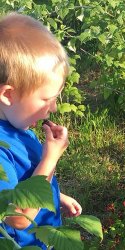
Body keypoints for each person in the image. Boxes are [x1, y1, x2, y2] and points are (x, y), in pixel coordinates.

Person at [0, 12, 82, 248]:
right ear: (8, 95)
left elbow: (26, 177)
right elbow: (17, 217)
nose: (53, 108)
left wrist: (56, 197)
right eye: (46, 99)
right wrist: (51, 159)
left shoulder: (19, 126)